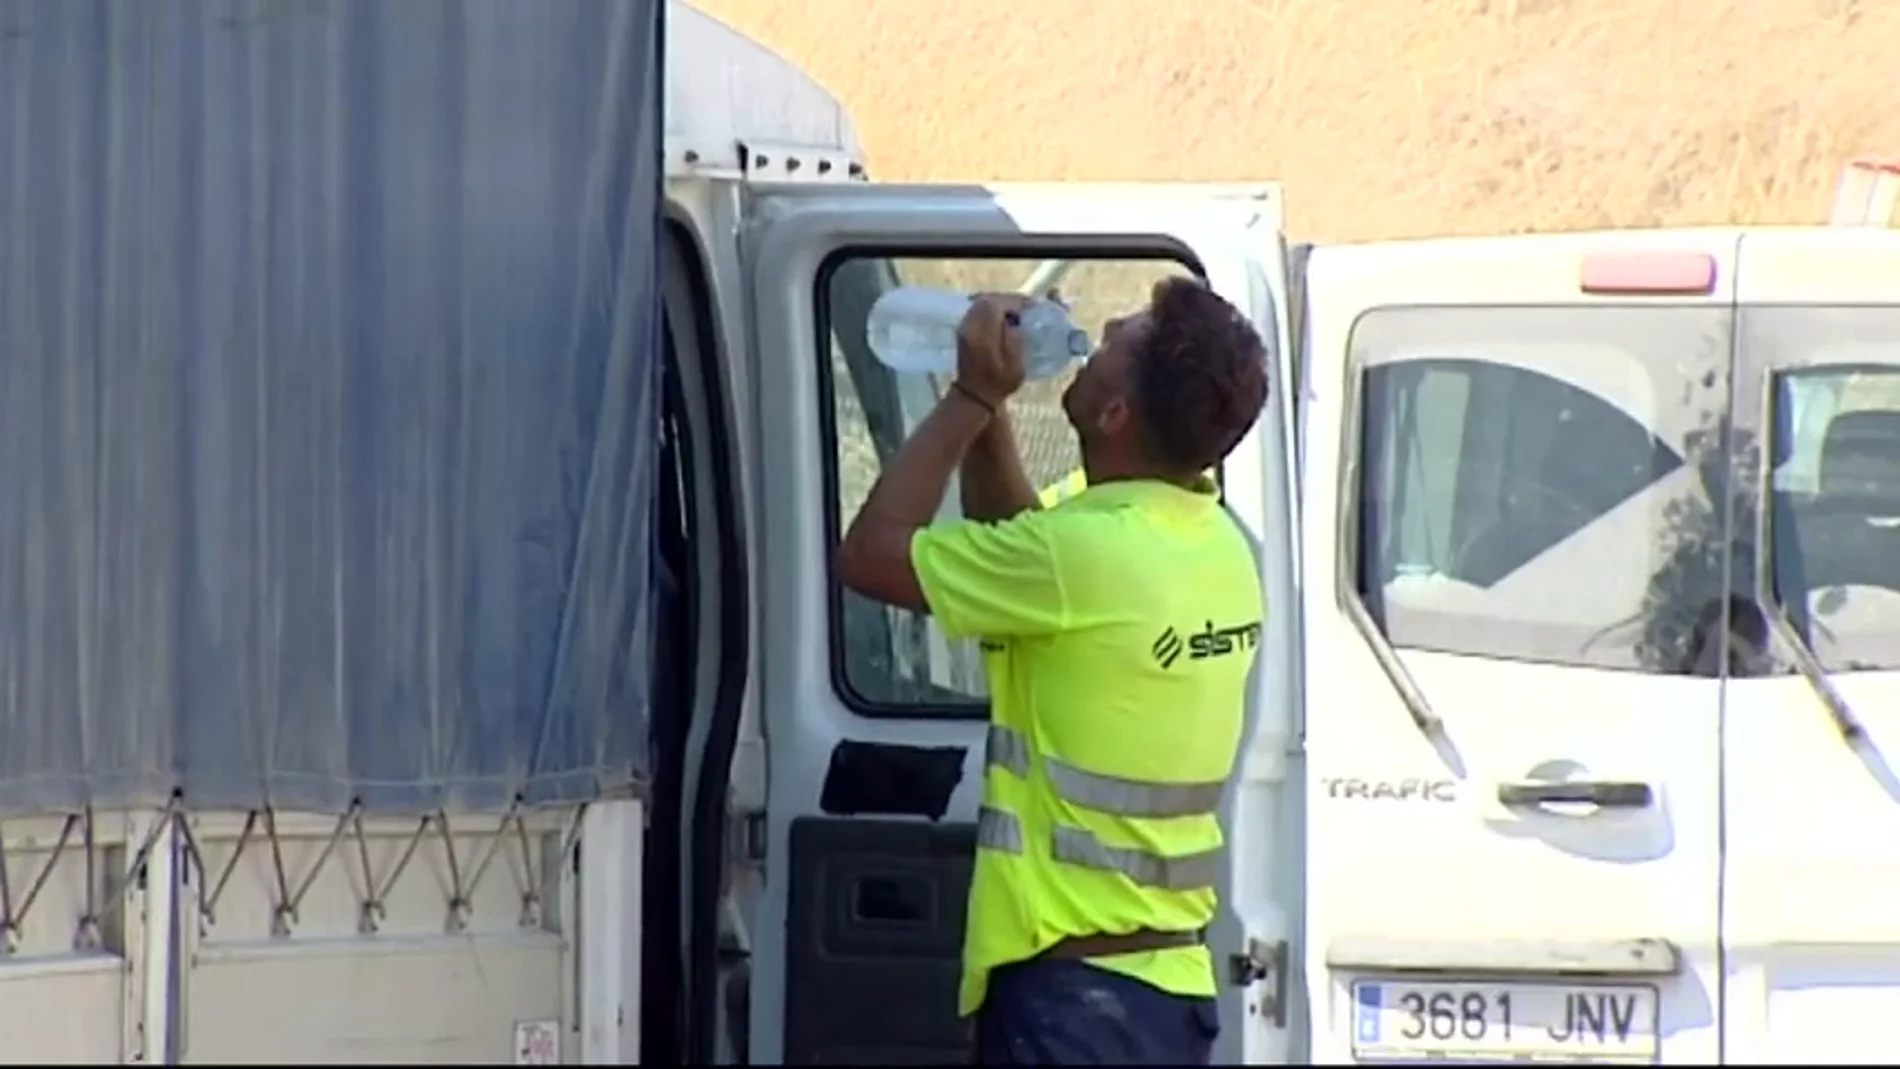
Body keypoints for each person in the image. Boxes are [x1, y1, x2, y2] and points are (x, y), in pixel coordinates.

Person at [837, 277, 1271, 1065]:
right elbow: (1021, 547)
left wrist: (970, 395)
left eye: (1117, 341)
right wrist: (989, 410)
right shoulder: (1211, 541)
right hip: (1161, 987)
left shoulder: (1085, 555)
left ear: (1114, 415)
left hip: (1077, 1007)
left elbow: (870, 555)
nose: (1099, 329)